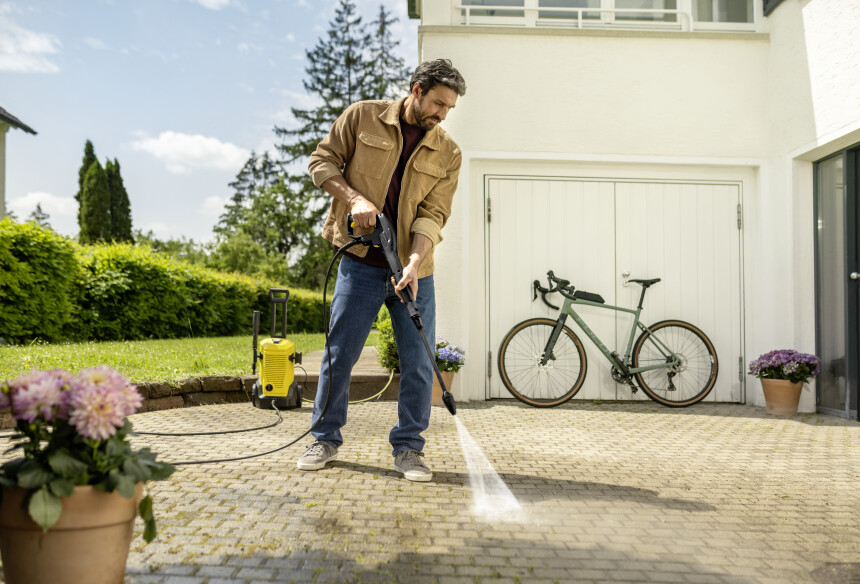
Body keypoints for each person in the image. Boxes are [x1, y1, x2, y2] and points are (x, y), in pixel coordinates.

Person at [297, 58, 467, 482]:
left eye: (449, 109)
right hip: (359, 263)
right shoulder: (362, 117)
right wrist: (354, 198)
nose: (442, 115)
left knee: (418, 362)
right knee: (341, 355)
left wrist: (415, 259)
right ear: (416, 90)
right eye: (438, 104)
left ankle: (409, 448)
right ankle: (325, 437)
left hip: (413, 273)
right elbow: (322, 162)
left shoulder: (448, 152)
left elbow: (434, 212)